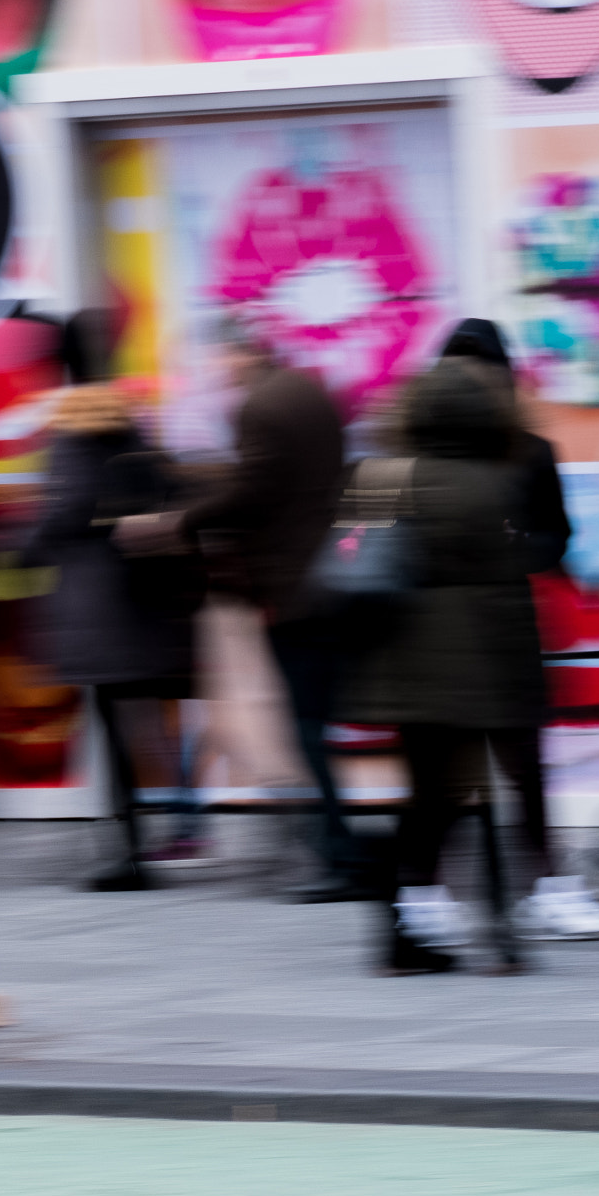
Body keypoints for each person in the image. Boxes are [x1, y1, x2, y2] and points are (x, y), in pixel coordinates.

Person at [339, 358, 599, 975]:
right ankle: (504, 920)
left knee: (426, 797)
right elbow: (511, 585)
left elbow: (349, 563)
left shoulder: (375, 475)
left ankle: (409, 918)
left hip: (402, 667)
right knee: (499, 790)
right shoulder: (491, 484)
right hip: (483, 668)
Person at [123, 323, 354, 900]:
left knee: (304, 727)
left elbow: (254, 493)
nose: (216, 368)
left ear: (241, 351)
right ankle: (337, 849)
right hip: (323, 574)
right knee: (310, 724)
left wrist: (177, 521)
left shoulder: (260, 407)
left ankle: (340, 858)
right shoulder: (308, 390)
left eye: (218, 354)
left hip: (290, 583)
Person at [433, 318, 599, 940]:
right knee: (439, 772)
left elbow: (558, 535)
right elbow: (366, 542)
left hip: (508, 626)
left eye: (483, 369)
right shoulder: (408, 457)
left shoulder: (531, 451)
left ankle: (546, 886)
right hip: (434, 635)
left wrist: (517, 550)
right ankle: (424, 897)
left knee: (524, 766)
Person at [28, 382, 202, 890]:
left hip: (96, 606)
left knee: (116, 732)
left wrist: (20, 549)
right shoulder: (137, 442)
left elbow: (63, 512)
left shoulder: (72, 445)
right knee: (138, 725)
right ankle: (173, 827)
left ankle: (128, 854)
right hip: (143, 601)